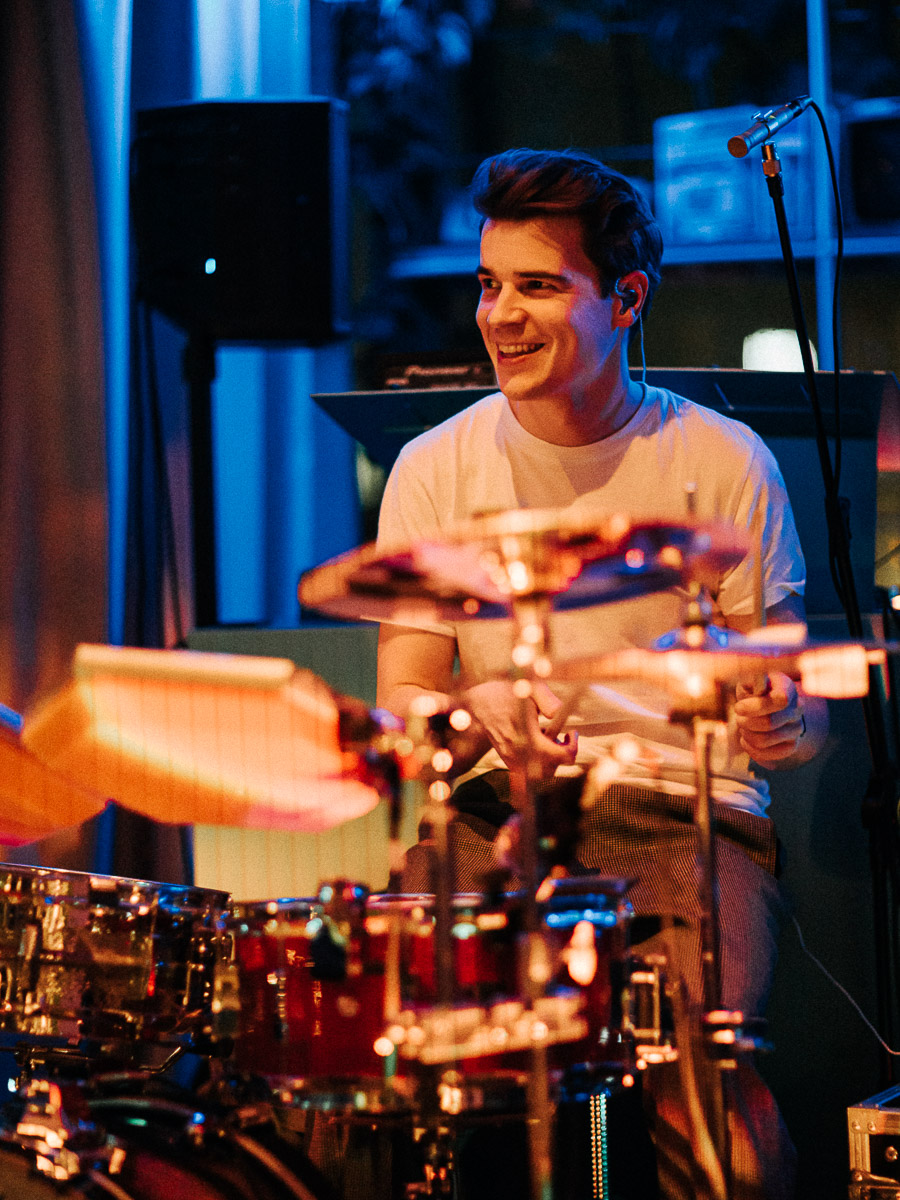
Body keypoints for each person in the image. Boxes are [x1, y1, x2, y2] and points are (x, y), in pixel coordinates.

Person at [375, 148, 828, 1199]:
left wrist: (781, 719)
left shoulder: (722, 460)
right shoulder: (433, 467)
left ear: (626, 299)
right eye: (489, 284)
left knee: (703, 1104)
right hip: (495, 813)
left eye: (537, 286)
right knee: (389, 1061)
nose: (500, 316)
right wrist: (471, 711)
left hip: (684, 816)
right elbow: (402, 701)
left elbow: (801, 719)